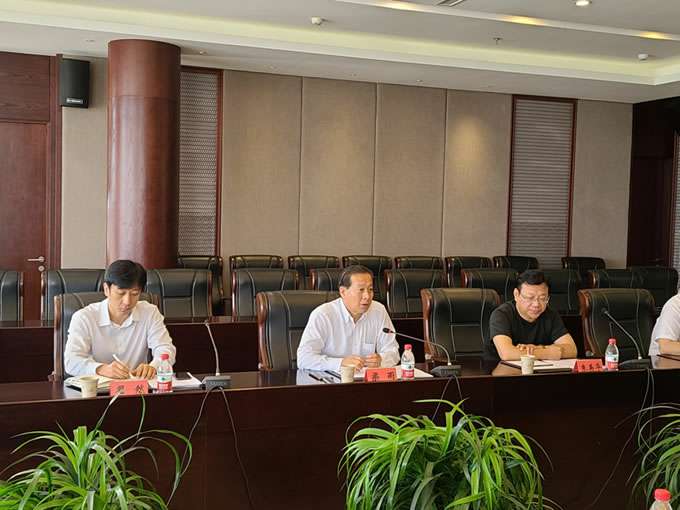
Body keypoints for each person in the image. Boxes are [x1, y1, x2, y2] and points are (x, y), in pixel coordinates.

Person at [64, 259, 176, 379]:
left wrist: (154, 366)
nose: (127, 301)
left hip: (137, 386)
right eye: (121, 293)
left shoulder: (149, 312)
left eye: (134, 294)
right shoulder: (84, 317)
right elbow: (71, 361)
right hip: (98, 387)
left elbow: (165, 348)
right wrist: (101, 369)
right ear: (106, 289)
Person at [296, 265, 400, 371]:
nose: (367, 296)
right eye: (361, 290)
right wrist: (340, 363)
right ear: (343, 292)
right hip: (330, 379)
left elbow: (393, 351)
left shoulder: (378, 311)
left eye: (370, 289)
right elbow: (304, 359)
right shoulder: (323, 315)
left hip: (364, 378)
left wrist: (381, 359)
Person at [487, 269, 577, 361]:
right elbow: (507, 354)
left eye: (543, 298)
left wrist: (540, 348)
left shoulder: (551, 315)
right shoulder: (502, 315)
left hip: (539, 368)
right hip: (500, 368)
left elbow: (572, 350)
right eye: (530, 298)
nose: (536, 304)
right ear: (516, 295)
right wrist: (548, 353)